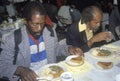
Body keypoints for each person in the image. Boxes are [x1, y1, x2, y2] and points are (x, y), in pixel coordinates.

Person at [0, 1, 83, 81]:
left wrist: (68, 49)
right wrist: (20, 70)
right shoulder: (13, 39)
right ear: (25, 21)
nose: (39, 29)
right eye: (35, 24)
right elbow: (2, 66)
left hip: (50, 76)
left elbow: (56, 49)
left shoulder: (49, 31)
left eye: (42, 23)